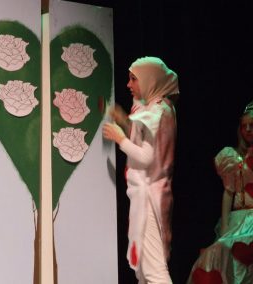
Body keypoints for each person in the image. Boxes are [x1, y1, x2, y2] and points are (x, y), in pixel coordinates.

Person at [103, 56, 179, 283]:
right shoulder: (156, 109)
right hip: (146, 196)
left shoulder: (158, 112)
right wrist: (126, 123)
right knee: (145, 271)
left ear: (149, 80)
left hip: (150, 199)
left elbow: (147, 156)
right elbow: (147, 139)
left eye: (134, 79)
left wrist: (120, 138)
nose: (129, 85)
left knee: (154, 270)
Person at [187, 101, 253, 284]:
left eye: (252, 125)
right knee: (219, 252)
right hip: (237, 221)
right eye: (244, 126)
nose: (247, 129)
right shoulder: (232, 157)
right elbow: (228, 193)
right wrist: (224, 229)